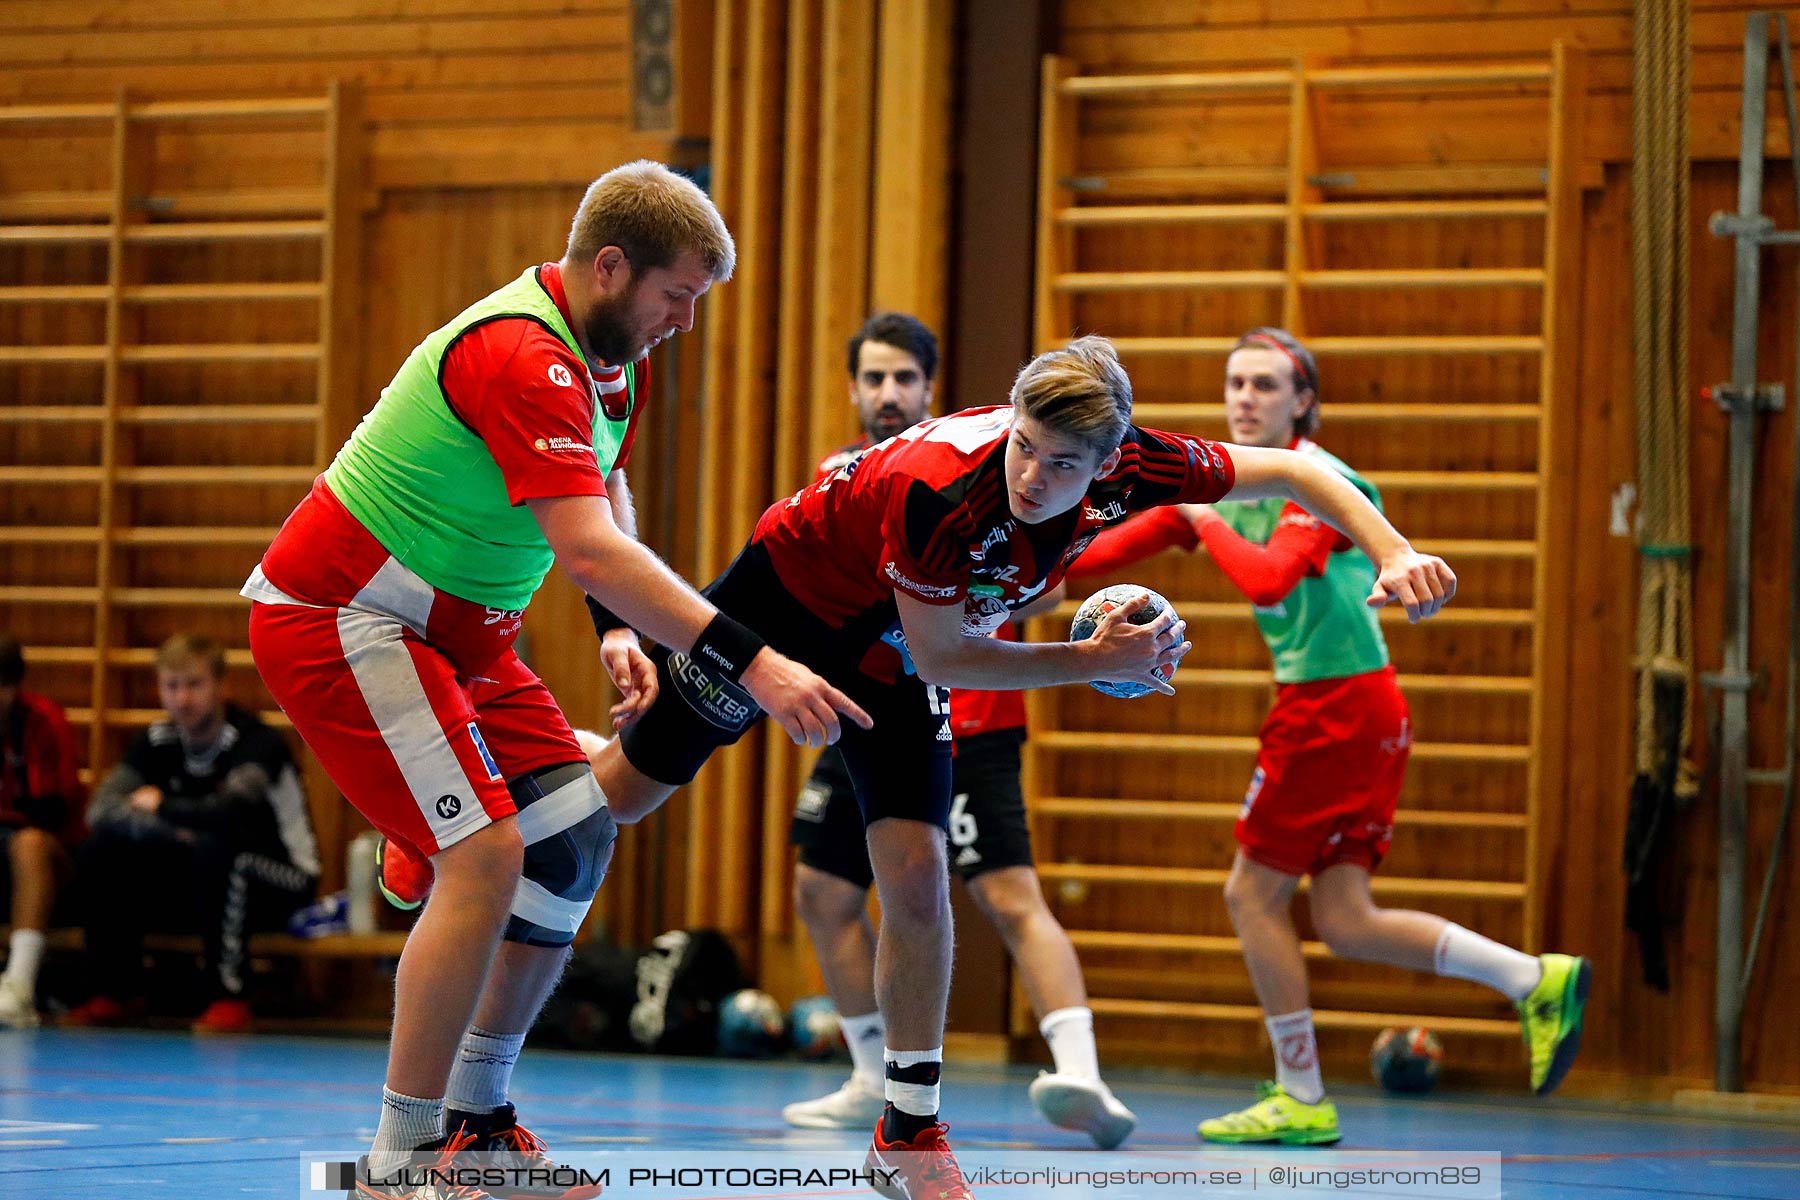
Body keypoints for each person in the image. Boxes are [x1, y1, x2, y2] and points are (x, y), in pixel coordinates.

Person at [583, 333, 1455, 1199]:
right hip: (791, 601)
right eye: (1024, 446)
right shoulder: (942, 489)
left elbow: (1298, 472)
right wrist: (1093, 662)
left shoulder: (1139, 466)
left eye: (1061, 463)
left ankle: (909, 1133)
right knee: (622, 798)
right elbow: (948, 660)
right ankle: (547, 768)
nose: (1032, 475)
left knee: (919, 876)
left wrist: (1392, 551)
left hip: (890, 642)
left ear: (1111, 463)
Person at [243, 160, 867, 1200]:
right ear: (610, 267)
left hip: (465, 642)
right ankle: (399, 1163)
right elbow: (585, 545)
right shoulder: (521, 354)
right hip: (346, 615)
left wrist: (618, 626)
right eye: (678, 297)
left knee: (576, 834)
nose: (685, 323)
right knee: (486, 855)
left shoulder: (614, 352)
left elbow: (600, 479)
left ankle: (478, 1124)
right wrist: (751, 659)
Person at [1066, 327, 1589, 1146]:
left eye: (1265, 386)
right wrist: (1035, 571)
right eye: (1235, 383)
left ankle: (1301, 1094)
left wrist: (1197, 515)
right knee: (1344, 917)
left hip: (1334, 710)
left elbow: (1268, 577)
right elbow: (1109, 550)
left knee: (1250, 895)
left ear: (1301, 403)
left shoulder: (1323, 483)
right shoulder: (1230, 487)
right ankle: (1534, 978)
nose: (1244, 398)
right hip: (1359, 712)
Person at [780, 314, 1136, 1149]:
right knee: (821, 891)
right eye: (873, 378)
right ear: (854, 389)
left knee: (1005, 895)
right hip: (864, 714)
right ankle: (872, 1072)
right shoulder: (848, 478)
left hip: (971, 716)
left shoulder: (994, 470)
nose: (889, 393)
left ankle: (1080, 1070)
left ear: (931, 389)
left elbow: (1039, 586)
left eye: (904, 377)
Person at [65, 634, 319, 1034]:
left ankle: (229, 996)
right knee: (102, 849)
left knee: (219, 852)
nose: (182, 698)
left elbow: (231, 814)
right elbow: (101, 810)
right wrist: (175, 831)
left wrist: (164, 806)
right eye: (172, 686)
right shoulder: (155, 741)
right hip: (199, 869)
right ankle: (116, 988)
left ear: (221, 685)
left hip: (283, 876)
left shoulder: (257, 742)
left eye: (194, 685)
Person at [0, 635, 85, 1029]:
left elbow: (50, 812)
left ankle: (18, 985)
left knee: (28, 844)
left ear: (11, 689)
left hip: (54, 862)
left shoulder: (42, 722)